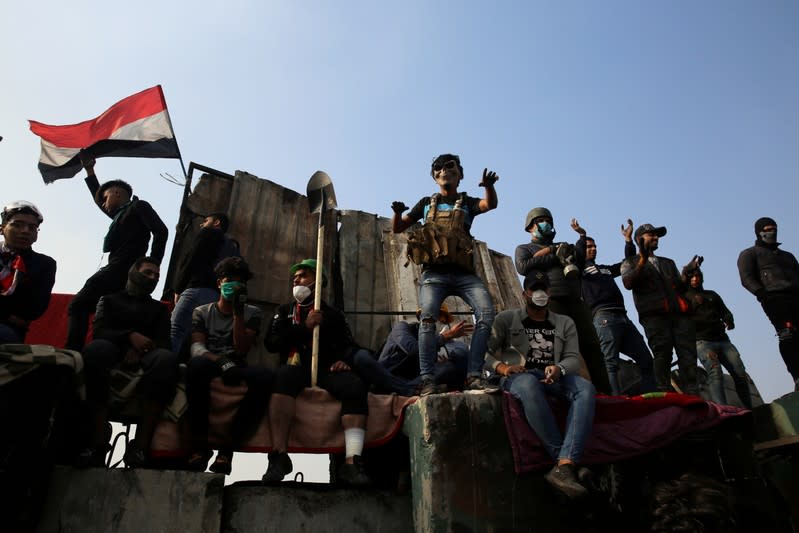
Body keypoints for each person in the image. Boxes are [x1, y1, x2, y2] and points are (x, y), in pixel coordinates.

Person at [391, 153, 499, 395]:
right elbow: (398, 227)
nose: (443, 170)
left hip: (464, 275)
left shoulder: (467, 202)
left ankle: (474, 376)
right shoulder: (426, 204)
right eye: (437, 168)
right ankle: (427, 379)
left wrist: (489, 188)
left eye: (449, 166)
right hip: (434, 275)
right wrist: (397, 212)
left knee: (486, 314)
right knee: (428, 320)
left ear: (460, 174)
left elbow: (488, 205)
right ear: (434, 176)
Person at [485, 271, 596, 499]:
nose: (539, 294)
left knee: (585, 389)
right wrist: (503, 368)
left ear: (550, 292)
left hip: (555, 378)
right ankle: (565, 463)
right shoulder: (506, 319)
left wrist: (560, 369)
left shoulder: (565, 322)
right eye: (534, 289)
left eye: (543, 289)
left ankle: (564, 465)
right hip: (520, 376)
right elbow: (481, 352)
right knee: (527, 385)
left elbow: (573, 357)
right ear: (524, 293)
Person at [263, 259, 371, 485]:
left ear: (317, 281)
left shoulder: (333, 314)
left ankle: (352, 461)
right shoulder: (283, 312)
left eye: (303, 275)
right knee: (282, 377)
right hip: (295, 369)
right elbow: (271, 343)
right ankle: (278, 456)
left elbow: (349, 346)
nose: (296, 279)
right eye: (295, 276)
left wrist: (344, 361)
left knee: (354, 386)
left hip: (326, 370)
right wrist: (304, 328)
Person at [77, 257, 178, 468]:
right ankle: (98, 438)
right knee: (96, 351)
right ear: (134, 273)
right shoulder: (109, 300)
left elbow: (163, 342)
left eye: (156, 276)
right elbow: (100, 331)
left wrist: (139, 350)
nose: (152, 278)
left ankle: (140, 445)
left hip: (147, 354)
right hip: (113, 348)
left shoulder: (158, 310)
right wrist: (129, 336)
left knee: (166, 360)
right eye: (148, 273)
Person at [66, 157, 168, 350]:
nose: (103, 204)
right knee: (111, 314)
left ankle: (72, 351)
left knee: (78, 304)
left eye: (105, 198)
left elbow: (161, 231)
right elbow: (97, 201)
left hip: (123, 268)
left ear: (116, 192)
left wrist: (152, 263)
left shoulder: (137, 207)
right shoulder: (119, 216)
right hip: (120, 271)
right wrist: (90, 171)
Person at [185, 256, 273, 475]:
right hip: (210, 361)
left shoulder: (253, 313)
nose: (235, 284)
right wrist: (220, 361)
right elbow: (197, 348)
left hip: (237, 364)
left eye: (240, 281)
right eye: (229, 280)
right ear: (219, 283)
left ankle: (227, 450)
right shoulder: (202, 312)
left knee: (264, 378)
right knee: (195, 368)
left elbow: (242, 348)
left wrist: (238, 312)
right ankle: (199, 447)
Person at [515, 208, 611, 394]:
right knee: (555, 349)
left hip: (575, 300)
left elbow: (581, 262)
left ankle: (605, 393)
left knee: (591, 347)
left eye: (548, 220)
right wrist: (552, 253)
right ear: (530, 228)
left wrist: (582, 238)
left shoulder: (564, 245)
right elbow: (523, 266)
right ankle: (562, 393)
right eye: (540, 220)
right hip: (550, 303)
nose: (546, 223)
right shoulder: (524, 248)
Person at [574, 218, 656, 395]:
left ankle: (650, 400)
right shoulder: (579, 270)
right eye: (588, 246)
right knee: (610, 364)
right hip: (603, 317)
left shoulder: (605, 269)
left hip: (623, 317)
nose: (593, 248)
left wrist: (628, 241)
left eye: (594, 246)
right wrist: (582, 235)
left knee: (647, 360)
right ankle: (615, 402)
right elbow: (578, 255)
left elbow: (628, 264)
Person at [620, 224, 698, 394]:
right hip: (654, 316)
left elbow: (680, 287)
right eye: (651, 235)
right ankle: (664, 394)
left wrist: (687, 274)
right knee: (662, 354)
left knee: (689, 356)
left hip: (679, 315)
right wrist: (642, 260)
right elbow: (628, 283)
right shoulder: (630, 262)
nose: (656, 238)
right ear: (640, 239)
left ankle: (695, 396)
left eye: (657, 235)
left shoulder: (668, 263)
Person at [737, 217, 799, 390]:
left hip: (796, 296)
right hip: (775, 299)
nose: (772, 232)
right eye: (767, 229)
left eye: (774, 228)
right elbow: (746, 278)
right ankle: (797, 376)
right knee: (787, 334)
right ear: (759, 231)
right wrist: (763, 294)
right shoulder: (749, 254)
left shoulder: (787, 256)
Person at [352, 305, 469, 396]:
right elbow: (413, 349)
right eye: (433, 317)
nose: (437, 322)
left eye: (440, 319)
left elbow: (426, 372)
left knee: (451, 366)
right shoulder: (402, 327)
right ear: (421, 318)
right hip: (386, 378)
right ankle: (406, 389)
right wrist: (445, 336)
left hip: (411, 383)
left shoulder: (434, 344)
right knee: (361, 357)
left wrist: (439, 364)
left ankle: (406, 389)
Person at [683, 258, 751, 408]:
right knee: (715, 374)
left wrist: (729, 320)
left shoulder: (711, 294)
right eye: (691, 276)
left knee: (740, 373)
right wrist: (690, 267)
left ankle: (750, 408)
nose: (695, 279)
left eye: (697, 276)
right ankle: (723, 410)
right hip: (702, 342)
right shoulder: (684, 297)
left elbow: (725, 312)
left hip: (723, 340)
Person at [170, 212, 239, 353]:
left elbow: (191, 259)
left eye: (206, 220)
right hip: (215, 298)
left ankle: (165, 368)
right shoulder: (233, 247)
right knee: (199, 339)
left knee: (176, 330)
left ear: (216, 223)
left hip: (195, 290)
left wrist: (178, 288)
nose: (202, 224)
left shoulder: (208, 233)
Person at [0, 201, 56, 343]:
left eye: (32, 227)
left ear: (36, 235)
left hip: (8, 330)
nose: (25, 231)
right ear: (2, 228)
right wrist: (9, 313)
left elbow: (34, 308)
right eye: (17, 225)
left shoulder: (45, 264)